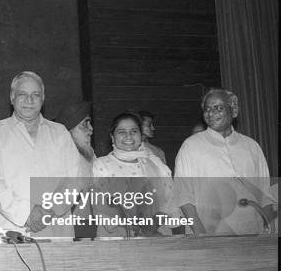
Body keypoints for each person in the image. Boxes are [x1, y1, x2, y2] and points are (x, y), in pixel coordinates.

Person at [0, 71, 81, 238]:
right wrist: (26, 213)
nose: (29, 100)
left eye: (35, 94)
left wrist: (49, 211)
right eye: (23, 94)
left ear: (43, 98)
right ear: (12, 97)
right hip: (14, 229)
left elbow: (74, 179)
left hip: (57, 228)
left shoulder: (60, 132)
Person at [174, 88, 275, 235]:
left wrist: (271, 228)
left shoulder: (251, 146)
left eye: (218, 108)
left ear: (234, 111)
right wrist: (201, 235)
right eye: (207, 109)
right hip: (209, 233)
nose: (210, 113)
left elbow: (264, 193)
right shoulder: (191, 146)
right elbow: (183, 195)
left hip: (253, 233)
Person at [92, 112, 172, 238]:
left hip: (157, 235)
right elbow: (103, 207)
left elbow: (169, 199)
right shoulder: (101, 165)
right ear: (112, 137)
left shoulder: (156, 164)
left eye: (134, 131)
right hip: (117, 238)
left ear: (140, 135)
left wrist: (153, 225)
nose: (128, 136)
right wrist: (139, 228)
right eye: (121, 132)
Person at [55, 101, 97, 239]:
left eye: (90, 123)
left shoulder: (90, 155)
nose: (91, 130)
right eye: (84, 125)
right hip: (73, 229)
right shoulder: (60, 159)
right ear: (68, 131)